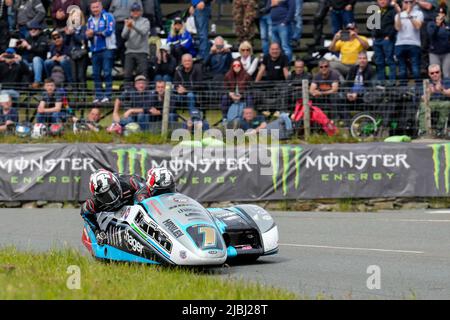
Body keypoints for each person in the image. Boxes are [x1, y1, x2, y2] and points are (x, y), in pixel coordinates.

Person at [80, 168, 146, 239]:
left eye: (113, 190)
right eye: (105, 196)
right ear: (97, 197)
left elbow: (146, 187)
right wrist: (97, 231)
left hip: (133, 205)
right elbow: (84, 212)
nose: (112, 197)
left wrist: (141, 203)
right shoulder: (93, 204)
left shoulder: (131, 183)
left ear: (117, 184)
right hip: (114, 215)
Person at [86, 0, 116, 104]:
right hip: (95, 50)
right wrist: (88, 36)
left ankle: (108, 96)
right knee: (96, 74)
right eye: (93, 7)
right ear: (91, 8)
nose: (95, 9)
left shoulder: (108, 16)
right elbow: (89, 36)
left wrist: (93, 33)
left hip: (107, 48)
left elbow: (109, 31)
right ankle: (98, 96)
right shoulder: (89, 20)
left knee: (107, 72)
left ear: (101, 7)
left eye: (97, 7)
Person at [394, 0, 424, 84]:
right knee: (402, 70)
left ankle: (418, 90)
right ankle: (403, 91)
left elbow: (417, 26)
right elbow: (397, 28)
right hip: (400, 44)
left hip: (414, 43)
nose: (408, 4)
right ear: (402, 3)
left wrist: (409, 14)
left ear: (413, 3)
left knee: (415, 69)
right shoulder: (397, 15)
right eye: (406, 2)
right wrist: (400, 14)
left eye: (410, 2)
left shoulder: (419, 13)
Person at [122, 2, 150, 86]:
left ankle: (143, 96)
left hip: (142, 51)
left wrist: (133, 26)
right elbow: (123, 35)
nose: (135, 13)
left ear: (141, 11)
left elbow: (143, 32)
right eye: (133, 11)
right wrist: (128, 27)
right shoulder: (128, 21)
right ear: (131, 12)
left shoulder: (145, 21)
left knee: (143, 74)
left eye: (137, 11)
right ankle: (127, 95)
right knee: (127, 75)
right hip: (130, 51)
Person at [418, 64, 450, 135]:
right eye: (432, 73)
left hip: (443, 102)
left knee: (447, 104)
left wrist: (442, 90)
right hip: (430, 102)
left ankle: (440, 129)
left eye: (437, 72)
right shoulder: (426, 82)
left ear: (440, 72)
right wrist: (429, 92)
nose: (435, 74)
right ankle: (424, 131)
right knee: (423, 105)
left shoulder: (447, 81)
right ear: (429, 74)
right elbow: (422, 98)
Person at [110, 0, 143, 67]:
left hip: (130, 23)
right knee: (118, 46)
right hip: (117, 23)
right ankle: (118, 67)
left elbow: (140, 10)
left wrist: (134, 21)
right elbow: (111, 10)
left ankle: (128, 68)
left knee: (127, 47)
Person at [16, 21, 49, 89]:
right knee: (21, 60)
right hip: (30, 64)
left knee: (36, 59)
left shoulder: (43, 38)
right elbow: (20, 52)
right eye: (31, 29)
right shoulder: (28, 38)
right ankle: (23, 84)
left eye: (35, 29)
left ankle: (37, 82)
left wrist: (29, 47)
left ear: (39, 30)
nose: (32, 30)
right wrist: (19, 47)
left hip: (42, 64)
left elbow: (41, 51)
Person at [372, 0, 398, 83]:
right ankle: (381, 82)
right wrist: (373, 35)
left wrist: (389, 36)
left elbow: (396, 25)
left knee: (390, 60)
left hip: (387, 39)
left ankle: (392, 82)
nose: (382, 1)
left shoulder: (393, 10)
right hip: (377, 40)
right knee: (379, 62)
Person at [65, 5, 89, 90]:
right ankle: (75, 99)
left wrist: (73, 34)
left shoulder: (84, 28)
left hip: (82, 54)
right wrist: (67, 35)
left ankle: (83, 98)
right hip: (72, 55)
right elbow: (66, 43)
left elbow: (82, 40)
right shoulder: (69, 28)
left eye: (77, 16)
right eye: (73, 16)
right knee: (74, 76)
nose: (75, 18)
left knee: (81, 76)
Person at [427, 6, 450, 79]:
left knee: (447, 74)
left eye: (442, 13)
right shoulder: (431, 24)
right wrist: (437, 25)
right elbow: (431, 35)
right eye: (439, 13)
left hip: (447, 53)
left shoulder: (448, 25)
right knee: (435, 74)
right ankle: (437, 90)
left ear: (445, 15)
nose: (440, 15)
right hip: (434, 53)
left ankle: (447, 90)